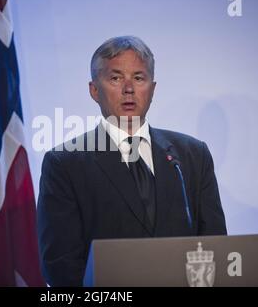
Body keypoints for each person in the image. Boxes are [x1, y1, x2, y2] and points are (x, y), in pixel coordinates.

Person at [37, 36, 227, 287]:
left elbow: (215, 245)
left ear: (152, 88)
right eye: (115, 78)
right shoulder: (65, 164)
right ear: (94, 90)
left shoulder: (192, 155)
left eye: (139, 78)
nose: (129, 89)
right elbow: (60, 267)